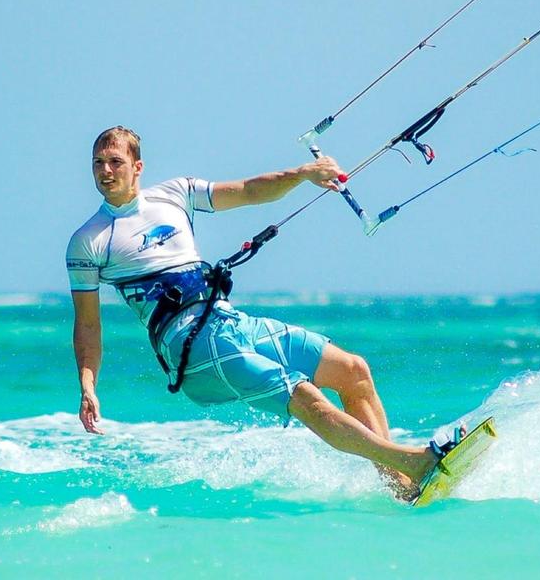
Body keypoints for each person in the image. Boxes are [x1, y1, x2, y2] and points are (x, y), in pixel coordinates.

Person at [67, 126, 450, 500]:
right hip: (188, 346)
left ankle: (400, 486)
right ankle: (413, 461)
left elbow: (249, 190)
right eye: (98, 162)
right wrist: (88, 386)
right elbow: (87, 325)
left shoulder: (175, 194)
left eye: (115, 161)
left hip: (227, 322)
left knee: (353, 371)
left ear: (138, 167)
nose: (105, 171)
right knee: (304, 394)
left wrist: (303, 174)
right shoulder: (89, 241)